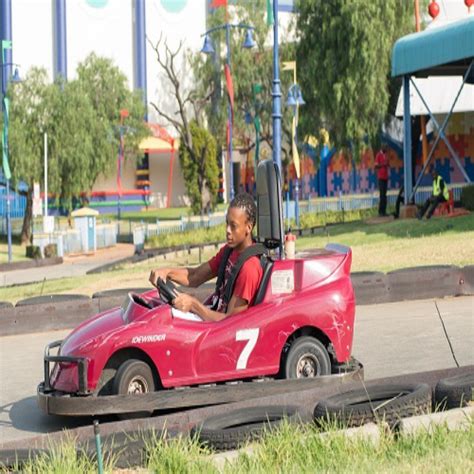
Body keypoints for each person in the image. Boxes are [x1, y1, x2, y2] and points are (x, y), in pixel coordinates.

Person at [149, 193, 263, 322]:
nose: (227, 230)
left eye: (233, 226)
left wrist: (193, 305)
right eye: (226, 224)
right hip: (213, 317)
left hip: (221, 333)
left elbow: (231, 323)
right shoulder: (229, 252)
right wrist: (167, 273)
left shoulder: (249, 268)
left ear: (248, 227)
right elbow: (195, 276)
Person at [375, 145, 389, 217]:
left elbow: (388, 164)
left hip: (385, 177)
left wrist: (387, 163)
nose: (386, 149)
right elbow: (376, 166)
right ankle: (380, 211)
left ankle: (384, 211)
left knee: (385, 195)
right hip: (380, 177)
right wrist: (383, 164)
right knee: (382, 195)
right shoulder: (378, 155)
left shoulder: (385, 155)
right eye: (385, 148)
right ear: (382, 148)